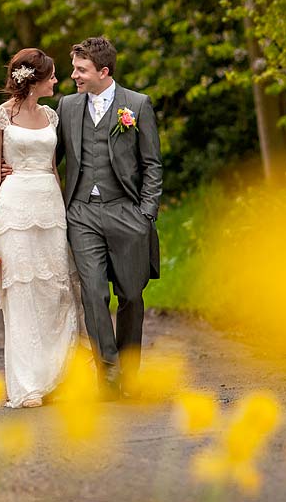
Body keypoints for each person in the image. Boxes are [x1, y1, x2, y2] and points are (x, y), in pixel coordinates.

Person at [0, 48, 82, 409]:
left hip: (50, 208)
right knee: (22, 292)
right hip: (15, 208)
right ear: (33, 80)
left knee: (57, 289)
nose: (56, 80)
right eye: (51, 76)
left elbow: (53, 168)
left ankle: (59, 376)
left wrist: (66, 213)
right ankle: (27, 384)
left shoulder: (51, 115)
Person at [54, 36, 163, 399]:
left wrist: (146, 214)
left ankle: (130, 372)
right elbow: (49, 157)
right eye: (74, 69)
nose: (74, 76)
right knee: (94, 293)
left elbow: (152, 165)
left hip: (126, 211)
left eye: (81, 70)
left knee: (131, 295)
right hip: (81, 213)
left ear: (103, 71)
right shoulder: (67, 106)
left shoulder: (137, 104)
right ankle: (110, 376)